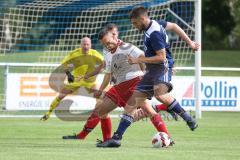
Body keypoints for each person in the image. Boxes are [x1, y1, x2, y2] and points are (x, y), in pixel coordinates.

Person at [98, 6, 199, 147]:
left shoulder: (154, 34)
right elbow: (175, 26)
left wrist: (138, 60)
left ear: (142, 19)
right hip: (152, 70)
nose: (134, 26)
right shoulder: (156, 24)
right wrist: (190, 42)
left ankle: (187, 117)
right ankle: (116, 138)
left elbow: (161, 57)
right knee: (132, 103)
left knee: (159, 93)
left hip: (162, 67)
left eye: (135, 23)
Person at [63, 24, 173, 144]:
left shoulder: (127, 47)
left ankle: (166, 137)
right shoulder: (108, 54)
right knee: (101, 110)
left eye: (109, 42)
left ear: (114, 37)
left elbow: (143, 57)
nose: (107, 46)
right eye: (104, 44)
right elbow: (108, 73)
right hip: (119, 87)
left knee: (146, 111)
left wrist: (147, 72)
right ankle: (106, 140)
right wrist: (99, 88)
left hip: (135, 83)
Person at [40, 37, 113, 142]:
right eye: (84, 44)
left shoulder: (96, 54)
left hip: (90, 83)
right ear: (81, 44)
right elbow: (64, 64)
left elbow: (105, 64)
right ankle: (48, 113)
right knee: (60, 96)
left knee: (101, 103)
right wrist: (69, 74)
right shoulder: (75, 53)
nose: (86, 46)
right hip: (75, 82)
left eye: (88, 44)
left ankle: (92, 135)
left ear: (91, 45)